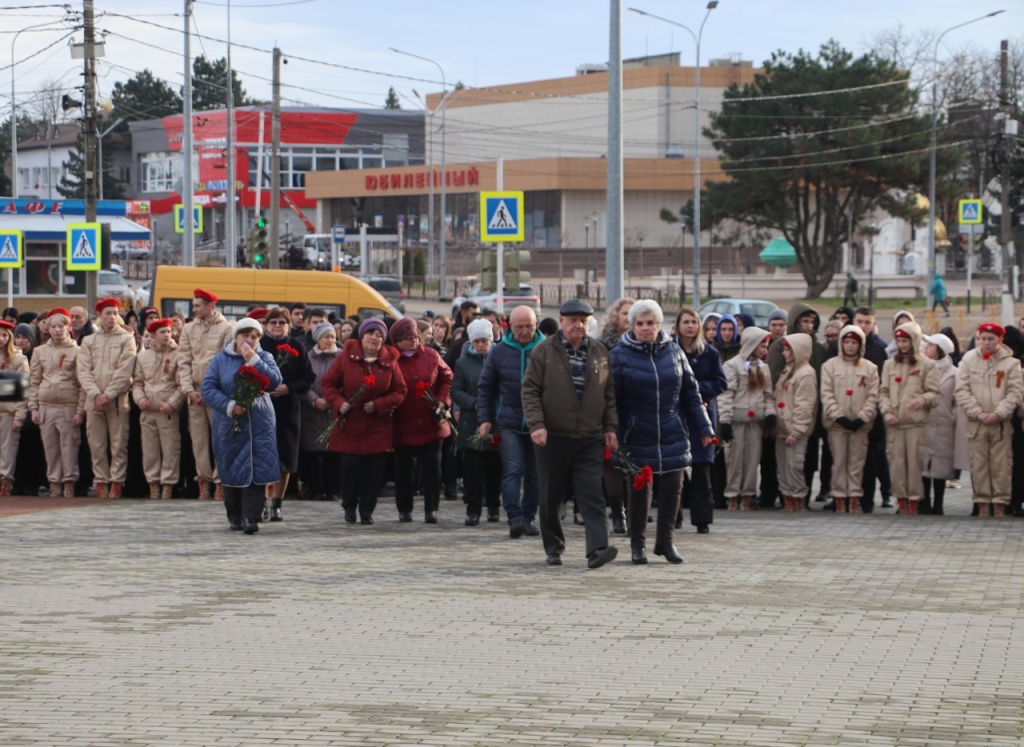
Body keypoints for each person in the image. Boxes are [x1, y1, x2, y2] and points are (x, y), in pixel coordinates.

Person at [613, 301, 714, 564]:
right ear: (632, 326)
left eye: (650, 323)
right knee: (639, 490)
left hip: (672, 431)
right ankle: (638, 545)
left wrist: (704, 427)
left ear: (659, 325)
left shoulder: (674, 351)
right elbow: (611, 400)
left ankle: (665, 543)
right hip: (637, 433)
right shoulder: (619, 355)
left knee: (673, 488)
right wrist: (613, 432)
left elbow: (691, 393)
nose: (645, 328)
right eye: (640, 323)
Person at [521, 299, 619, 569]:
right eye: (573, 320)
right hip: (553, 437)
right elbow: (530, 391)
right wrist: (537, 424)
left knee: (592, 493)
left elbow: (609, 394)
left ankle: (598, 549)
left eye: (583, 321)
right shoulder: (544, 352)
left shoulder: (600, 351)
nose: (578, 325)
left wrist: (610, 428)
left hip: (589, 436)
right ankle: (554, 547)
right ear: (561, 321)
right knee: (551, 495)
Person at [321, 317, 408, 525]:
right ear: (361, 335)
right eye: (370, 333)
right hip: (350, 424)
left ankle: (367, 510)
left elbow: (400, 390)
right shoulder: (346, 357)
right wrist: (339, 402)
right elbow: (328, 383)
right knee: (350, 468)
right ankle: (349, 506)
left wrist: (379, 404)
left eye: (379, 335)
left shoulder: (390, 361)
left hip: (378, 426)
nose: (374, 338)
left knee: (374, 473)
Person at [201, 318, 283, 534]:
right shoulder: (220, 360)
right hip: (230, 422)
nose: (250, 340)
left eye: (254, 337)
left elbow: (275, 381)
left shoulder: (264, 357)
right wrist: (230, 405)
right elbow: (208, 389)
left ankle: (251, 517)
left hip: (258, 422)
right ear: (236, 337)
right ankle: (235, 515)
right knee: (232, 467)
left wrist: (254, 360)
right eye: (245, 335)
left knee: (256, 468)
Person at [476, 305, 545, 538]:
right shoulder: (499, 351)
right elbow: (485, 387)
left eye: (529, 327)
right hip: (508, 421)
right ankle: (514, 518)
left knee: (534, 473)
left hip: (538, 422)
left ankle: (529, 517)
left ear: (536, 326)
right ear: (509, 326)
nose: (524, 331)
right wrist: (485, 419)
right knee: (513, 470)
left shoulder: (546, 349)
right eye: (519, 327)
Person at [954, 322, 1024, 516]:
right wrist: (977, 412)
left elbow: (1015, 393)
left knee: (1001, 466)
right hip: (977, 423)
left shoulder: (1011, 364)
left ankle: (1000, 503)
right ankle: (983, 503)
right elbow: (961, 390)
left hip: (1001, 425)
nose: (985, 343)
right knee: (979, 465)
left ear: (1000, 340)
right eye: (983, 338)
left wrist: (999, 413)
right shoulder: (969, 360)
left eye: (990, 339)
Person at [389, 316, 453, 523]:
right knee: (405, 469)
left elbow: (447, 377)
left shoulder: (431, 355)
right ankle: (404, 508)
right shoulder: (391, 360)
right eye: (408, 338)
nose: (414, 341)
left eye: (416, 337)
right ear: (397, 341)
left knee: (432, 467)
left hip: (432, 421)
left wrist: (442, 401)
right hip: (403, 422)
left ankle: (431, 509)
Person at [77, 298, 137, 499]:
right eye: (108, 313)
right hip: (93, 400)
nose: (112, 317)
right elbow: (83, 371)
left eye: (115, 313)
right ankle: (101, 481)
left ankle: (117, 481)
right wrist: (96, 394)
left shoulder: (126, 339)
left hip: (117, 401)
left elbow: (125, 370)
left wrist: (108, 394)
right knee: (96, 444)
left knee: (118, 444)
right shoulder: (89, 341)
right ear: (99, 316)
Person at [673, 308, 727, 531]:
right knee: (674, 468)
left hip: (702, 414)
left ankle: (702, 520)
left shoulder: (710, 353)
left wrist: (695, 390)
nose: (690, 326)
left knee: (702, 468)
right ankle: (673, 516)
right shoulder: (669, 350)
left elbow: (720, 383)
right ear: (678, 325)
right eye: (686, 322)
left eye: (694, 322)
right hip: (675, 414)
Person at [177, 288, 234, 500]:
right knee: (198, 440)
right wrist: (189, 390)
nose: (194, 310)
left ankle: (220, 481)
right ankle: (203, 481)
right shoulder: (188, 328)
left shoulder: (227, 328)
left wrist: (212, 390)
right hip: (194, 392)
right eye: (193, 306)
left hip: (216, 392)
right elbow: (183, 361)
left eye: (197, 306)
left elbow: (226, 362)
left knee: (220, 438)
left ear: (210, 306)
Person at [879, 322, 941, 515]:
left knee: (914, 465)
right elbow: (883, 392)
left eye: (905, 341)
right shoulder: (890, 364)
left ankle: (914, 501)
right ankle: (901, 500)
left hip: (915, 424)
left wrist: (923, 399)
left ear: (914, 341)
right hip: (895, 424)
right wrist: (887, 412)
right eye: (899, 341)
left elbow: (935, 394)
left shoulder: (927, 365)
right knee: (897, 464)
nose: (902, 345)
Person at [261, 306, 315, 521]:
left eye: (282, 322)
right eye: (273, 322)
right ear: (266, 325)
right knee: (263, 456)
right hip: (263, 407)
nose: (277, 326)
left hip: (288, 409)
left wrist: (289, 388)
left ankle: (277, 503)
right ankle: (261, 501)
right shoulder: (259, 345)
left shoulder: (297, 346)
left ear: (289, 325)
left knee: (285, 458)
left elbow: (308, 377)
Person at [820, 325, 879, 513]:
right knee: (839, 462)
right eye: (846, 342)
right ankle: (839, 497)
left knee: (856, 463)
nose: (850, 346)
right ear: (841, 343)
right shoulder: (829, 366)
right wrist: (838, 416)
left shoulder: (870, 368)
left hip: (860, 426)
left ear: (860, 345)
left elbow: (873, 396)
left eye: (854, 342)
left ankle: (854, 497)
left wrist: (863, 418)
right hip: (837, 425)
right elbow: (826, 394)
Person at [28, 308, 86, 498]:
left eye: (61, 326)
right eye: (53, 326)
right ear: (48, 328)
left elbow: (82, 384)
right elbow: (34, 381)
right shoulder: (39, 351)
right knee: (50, 447)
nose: (57, 330)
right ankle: (54, 481)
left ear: (68, 328)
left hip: (68, 406)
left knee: (69, 446)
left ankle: (69, 481)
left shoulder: (78, 351)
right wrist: (33, 407)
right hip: (46, 406)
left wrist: (80, 411)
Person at [452, 319, 502, 525]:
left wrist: (493, 404)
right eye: (477, 341)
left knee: (494, 468)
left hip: (495, 420)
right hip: (471, 422)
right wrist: (473, 403)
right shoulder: (463, 363)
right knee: (473, 470)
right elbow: (456, 390)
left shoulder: (498, 360)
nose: (481, 345)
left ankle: (493, 506)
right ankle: (473, 510)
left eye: (484, 341)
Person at [718, 327, 774, 512]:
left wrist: (770, 413)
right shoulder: (732, 365)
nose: (765, 350)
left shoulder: (763, 368)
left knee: (752, 460)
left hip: (755, 422)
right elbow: (726, 394)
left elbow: (768, 395)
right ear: (752, 345)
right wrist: (725, 421)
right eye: (762, 346)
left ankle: (748, 495)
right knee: (734, 460)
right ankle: (733, 495)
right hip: (737, 421)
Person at [132, 319, 184, 499]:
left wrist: (172, 403)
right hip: (148, 412)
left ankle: (168, 484)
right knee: (150, 451)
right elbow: (137, 383)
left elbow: (182, 385)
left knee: (171, 449)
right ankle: (153, 484)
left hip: (167, 411)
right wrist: (140, 398)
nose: (167, 335)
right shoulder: (143, 357)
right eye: (162, 332)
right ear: (153, 335)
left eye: (169, 331)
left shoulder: (178, 354)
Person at [299, 321, 342, 502]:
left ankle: (332, 489)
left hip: (334, 411)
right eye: (326, 337)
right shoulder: (308, 357)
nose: (330, 340)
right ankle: (316, 488)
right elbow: (303, 381)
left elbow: (346, 381)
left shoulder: (342, 357)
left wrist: (333, 399)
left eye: (333, 336)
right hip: (312, 412)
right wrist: (314, 399)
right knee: (313, 453)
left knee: (333, 452)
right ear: (318, 339)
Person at [775, 333, 818, 511]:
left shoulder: (805, 374)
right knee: (784, 467)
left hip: (794, 430)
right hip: (782, 428)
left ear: (798, 351)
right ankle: (787, 498)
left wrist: (797, 431)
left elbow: (805, 405)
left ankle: (798, 500)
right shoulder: (788, 370)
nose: (784, 353)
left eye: (788, 350)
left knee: (795, 466)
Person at [921, 333, 958, 515]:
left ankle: (939, 504)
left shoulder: (954, 373)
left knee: (941, 465)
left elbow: (957, 400)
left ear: (939, 350)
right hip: (924, 422)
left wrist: (952, 417)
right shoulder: (921, 369)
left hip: (944, 424)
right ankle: (924, 502)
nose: (925, 348)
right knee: (923, 463)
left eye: (930, 346)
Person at [0, 320, 30, 496]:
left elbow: (22, 390)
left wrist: (19, 415)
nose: (1, 339)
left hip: (8, 411)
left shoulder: (19, 359)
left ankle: (5, 481)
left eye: (4, 335)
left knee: (7, 449)